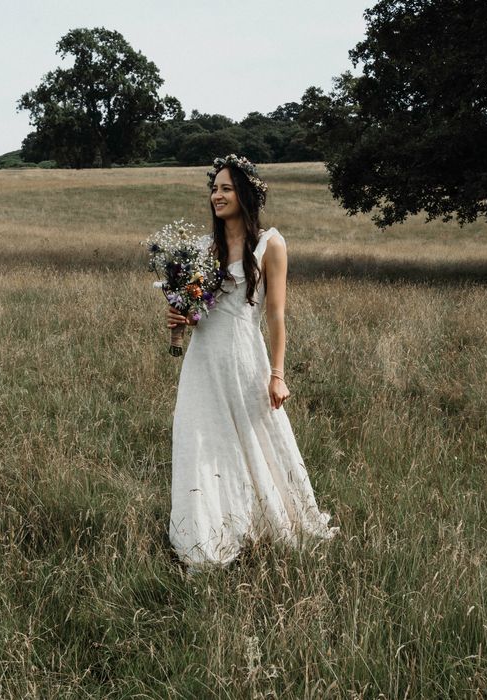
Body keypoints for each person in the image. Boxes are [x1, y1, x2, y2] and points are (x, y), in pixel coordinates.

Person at [166, 154, 337, 572]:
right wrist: (180, 316)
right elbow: (199, 309)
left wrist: (277, 375)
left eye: (226, 188)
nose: (217, 195)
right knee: (199, 438)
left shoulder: (270, 244)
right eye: (214, 188)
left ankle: (265, 521)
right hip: (203, 358)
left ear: (245, 194)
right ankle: (204, 533)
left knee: (254, 438)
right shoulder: (205, 250)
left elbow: (276, 314)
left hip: (244, 356)